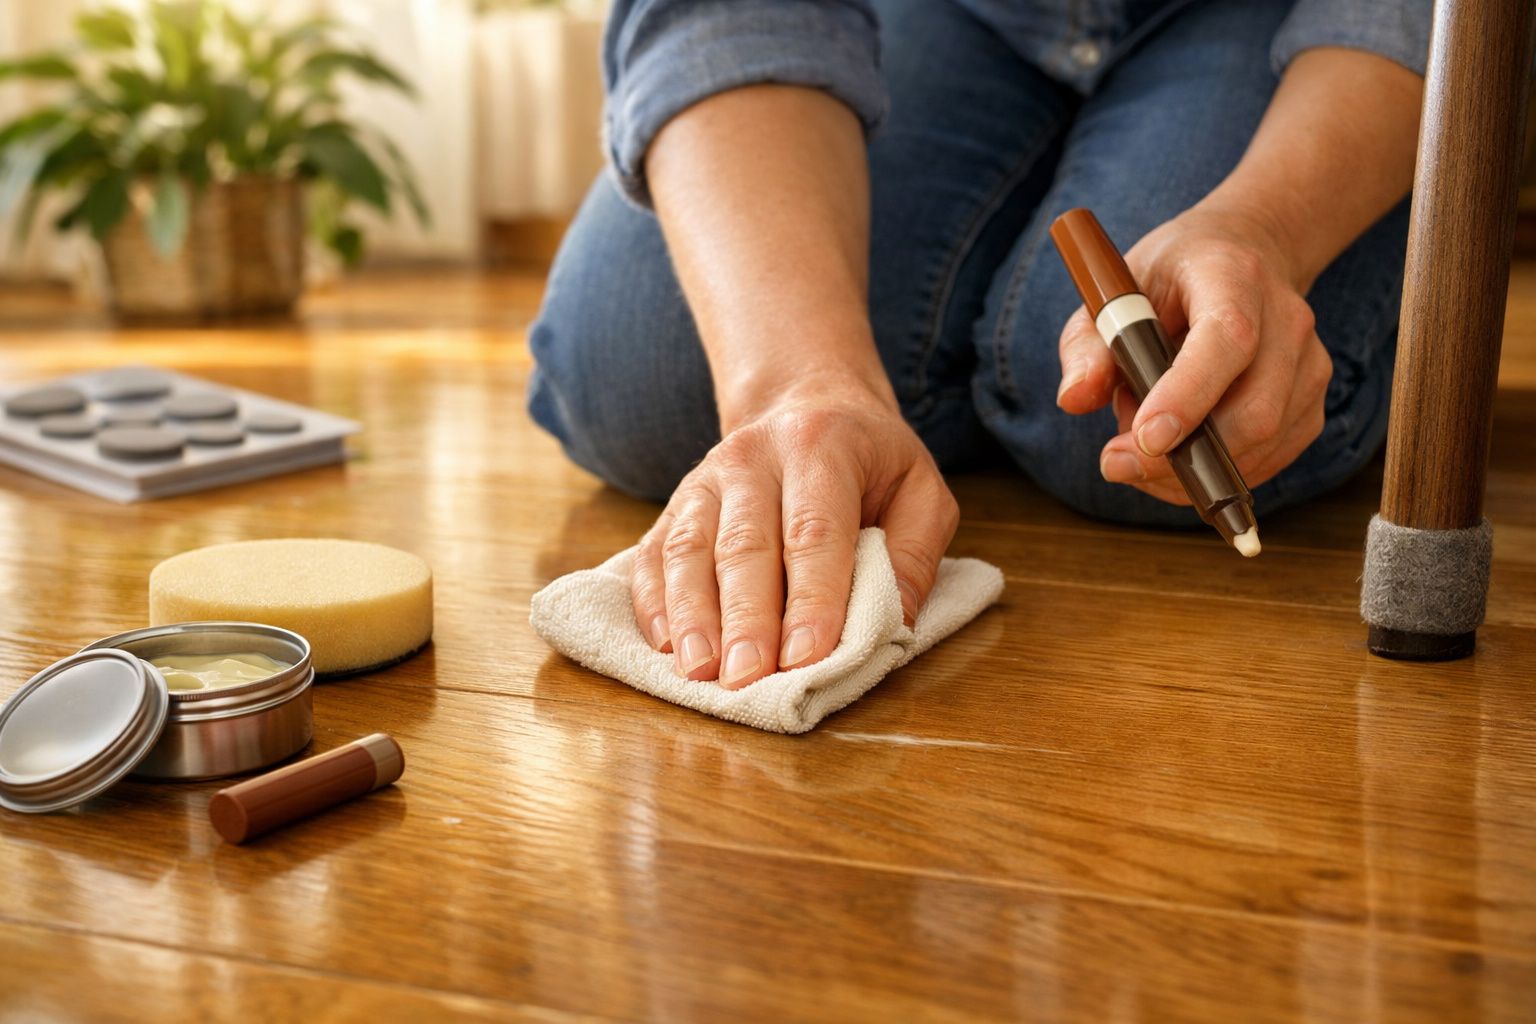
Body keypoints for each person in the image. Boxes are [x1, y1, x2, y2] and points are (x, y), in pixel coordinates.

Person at [527, 0, 1430, 690]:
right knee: (639, 380)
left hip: (1277, 24)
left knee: (1120, 417)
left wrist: (1265, 227)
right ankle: (980, 336)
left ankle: (991, 334)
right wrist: (796, 382)